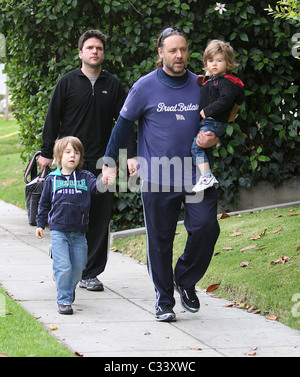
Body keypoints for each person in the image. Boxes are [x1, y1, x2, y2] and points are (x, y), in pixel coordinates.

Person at [102, 27, 220, 322]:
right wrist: (111, 161)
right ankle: (164, 301)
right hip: (158, 177)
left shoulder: (202, 83)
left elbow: (217, 123)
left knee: (207, 228)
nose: (179, 55)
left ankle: (185, 279)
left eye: (183, 49)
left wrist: (215, 137)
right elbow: (123, 127)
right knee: (160, 240)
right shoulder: (144, 87)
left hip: (197, 175)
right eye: (172, 50)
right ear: (161, 53)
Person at [38, 30, 136, 292]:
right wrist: (47, 153)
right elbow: (52, 119)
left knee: (100, 218)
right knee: (68, 212)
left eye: (99, 48)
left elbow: (125, 123)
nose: (95, 52)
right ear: (80, 52)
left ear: (103, 54)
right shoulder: (67, 83)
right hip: (71, 163)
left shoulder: (113, 85)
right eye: (90, 47)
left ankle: (90, 273)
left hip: (104, 162)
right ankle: (62, 251)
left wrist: (129, 155)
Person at [36, 137, 101, 314]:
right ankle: (64, 299)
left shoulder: (86, 177)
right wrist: (40, 224)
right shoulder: (52, 179)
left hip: (79, 232)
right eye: (68, 152)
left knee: (78, 268)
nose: (73, 155)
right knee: (63, 267)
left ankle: (66, 285)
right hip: (59, 231)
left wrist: (107, 178)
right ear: (59, 157)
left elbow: (98, 188)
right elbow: (44, 204)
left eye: (77, 152)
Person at [191, 39, 245, 193]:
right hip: (211, 122)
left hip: (213, 121)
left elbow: (226, 100)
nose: (214, 64)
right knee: (205, 149)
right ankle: (207, 177)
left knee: (196, 147)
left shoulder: (227, 82)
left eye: (219, 60)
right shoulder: (215, 80)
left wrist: (208, 110)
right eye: (210, 61)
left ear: (228, 63)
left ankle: (207, 176)